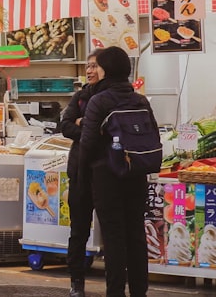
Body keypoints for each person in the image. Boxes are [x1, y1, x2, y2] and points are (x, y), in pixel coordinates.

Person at [79, 46, 156, 297]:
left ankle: (115, 292)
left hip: (107, 177)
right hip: (136, 175)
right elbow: (153, 135)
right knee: (136, 235)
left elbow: (87, 144)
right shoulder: (140, 100)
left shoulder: (98, 100)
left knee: (114, 238)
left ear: (107, 70)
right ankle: (139, 292)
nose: (94, 70)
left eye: (97, 66)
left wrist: (82, 178)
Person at [59, 49, 105, 297]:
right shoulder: (80, 97)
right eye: (87, 66)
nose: (89, 70)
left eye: (95, 66)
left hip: (107, 172)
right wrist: (86, 126)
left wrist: (82, 123)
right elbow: (65, 126)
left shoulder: (111, 96)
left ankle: (116, 278)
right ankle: (76, 281)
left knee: (111, 229)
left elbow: (106, 131)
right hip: (79, 171)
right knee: (78, 231)